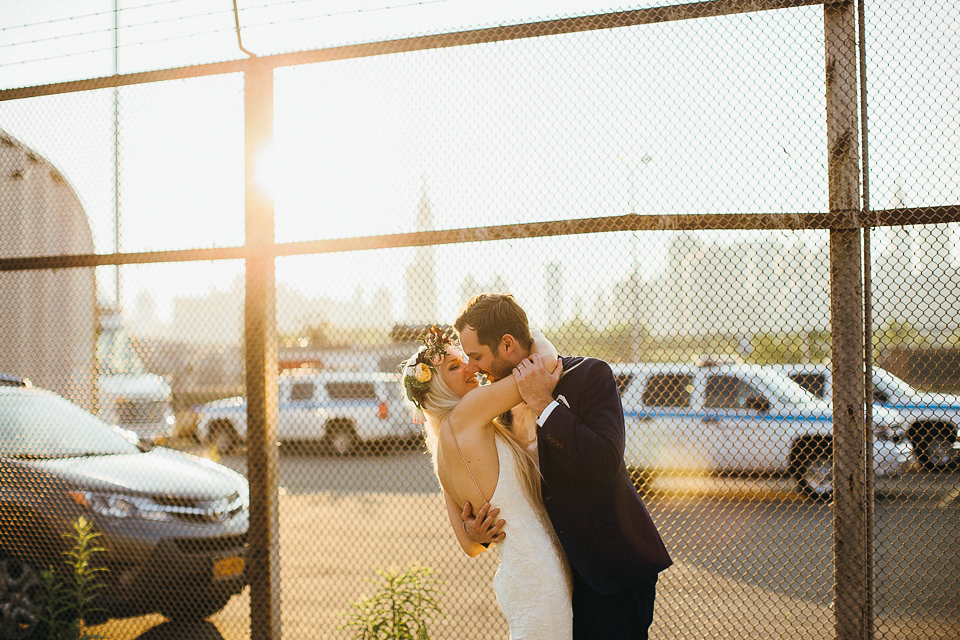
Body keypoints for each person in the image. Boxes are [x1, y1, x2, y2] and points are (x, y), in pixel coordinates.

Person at [455, 293, 673, 640]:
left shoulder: (590, 374)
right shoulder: (495, 413)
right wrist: (477, 535)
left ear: (507, 344)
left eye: (477, 356)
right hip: (555, 577)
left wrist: (544, 405)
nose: (473, 368)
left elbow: (606, 461)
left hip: (612, 569)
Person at [400, 325, 574, 639]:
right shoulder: (467, 412)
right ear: (437, 389)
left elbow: (471, 546)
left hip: (523, 573)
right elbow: (545, 361)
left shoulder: (441, 452)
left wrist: (476, 531)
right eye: (454, 367)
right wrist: (520, 329)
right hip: (536, 573)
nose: (470, 367)